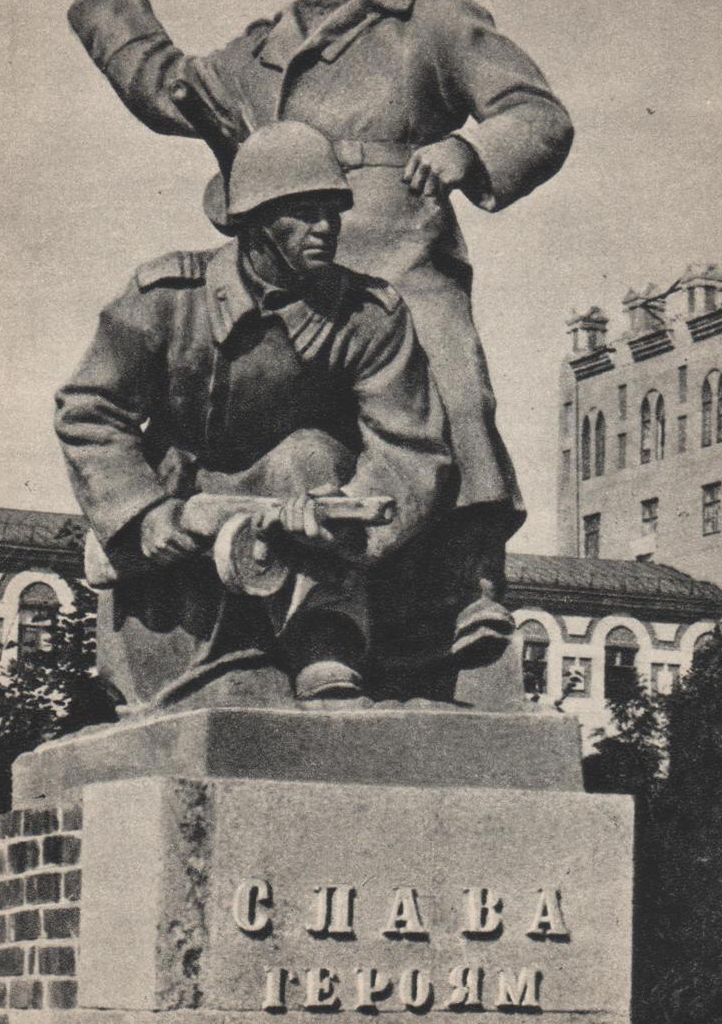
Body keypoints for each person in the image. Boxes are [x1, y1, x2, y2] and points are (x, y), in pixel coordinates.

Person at [67, 0, 574, 665]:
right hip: (286, 264)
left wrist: (469, 152)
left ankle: (464, 583)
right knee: (279, 428)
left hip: (400, 248)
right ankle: (297, 609)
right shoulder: (252, 57)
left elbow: (536, 112)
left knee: (453, 378)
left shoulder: (426, 24)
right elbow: (165, 87)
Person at [54, 122, 453, 710]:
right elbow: (91, 411)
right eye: (305, 214)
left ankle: (323, 642)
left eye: (334, 212)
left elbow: (411, 449)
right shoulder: (168, 298)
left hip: (306, 523)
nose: (327, 228)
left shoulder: (369, 316)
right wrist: (142, 513)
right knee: (171, 696)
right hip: (180, 524)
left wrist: (346, 519)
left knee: (309, 453)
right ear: (255, 222)